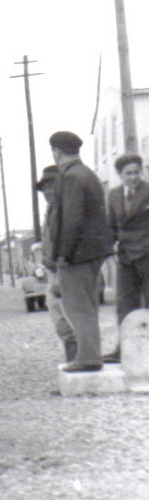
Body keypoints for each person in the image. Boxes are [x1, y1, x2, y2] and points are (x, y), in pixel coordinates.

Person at [43, 131, 113, 372]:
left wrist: (63, 254)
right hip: (89, 251)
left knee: (77, 306)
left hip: (78, 254)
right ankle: (90, 354)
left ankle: (88, 358)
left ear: (57, 151)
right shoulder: (86, 173)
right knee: (86, 304)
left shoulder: (71, 176)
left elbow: (72, 218)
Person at [105, 153, 149, 363]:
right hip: (125, 258)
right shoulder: (113, 195)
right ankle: (123, 349)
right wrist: (113, 245)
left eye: (136, 172)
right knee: (124, 304)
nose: (133, 177)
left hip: (147, 255)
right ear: (120, 175)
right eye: (128, 173)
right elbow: (111, 225)